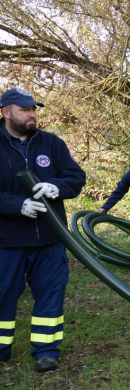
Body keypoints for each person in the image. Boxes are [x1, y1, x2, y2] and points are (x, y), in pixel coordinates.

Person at [0, 88, 87, 372]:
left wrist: (56, 187)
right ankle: (1, 347)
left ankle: (46, 350)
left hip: (49, 238)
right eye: (24, 109)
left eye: (33, 108)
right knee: (3, 295)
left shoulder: (51, 143)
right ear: (5, 112)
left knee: (51, 292)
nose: (32, 114)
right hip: (7, 241)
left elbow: (75, 176)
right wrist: (16, 205)